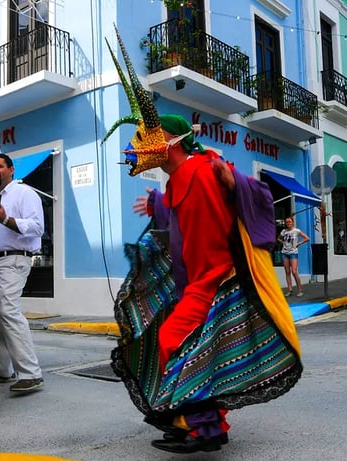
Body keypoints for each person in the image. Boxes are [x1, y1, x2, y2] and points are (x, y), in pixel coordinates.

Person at [103, 31, 302, 455]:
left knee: (175, 339)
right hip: (195, 279)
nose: (135, 147)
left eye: (142, 137)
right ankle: (188, 420)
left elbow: (254, 195)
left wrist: (236, 182)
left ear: (168, 141)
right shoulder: (179, 179)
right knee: (180, 342)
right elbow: (178, 218)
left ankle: (206, 428)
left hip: (217, 277)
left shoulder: (205, 167)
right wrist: (157, 203)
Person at [0, 153, 44, 393]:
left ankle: (31, 373)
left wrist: (4, 219)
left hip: (14, 259)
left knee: (9, 312)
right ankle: (4, 369)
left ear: (11, 169)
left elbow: (37, 226)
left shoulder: (25, 193)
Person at [278, 216, 310, 297]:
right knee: (287, 271)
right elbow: (278, 238)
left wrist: (299, 244)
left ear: (293, 222)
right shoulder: (284, 231)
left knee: (294, 271)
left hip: (293, 252)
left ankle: (300, 289)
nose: (288, 223)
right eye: (287, 222)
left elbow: (307, 238)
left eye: (289, 222)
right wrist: (283, 243)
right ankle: (290, 289)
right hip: (285, 252)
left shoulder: (296, 231)